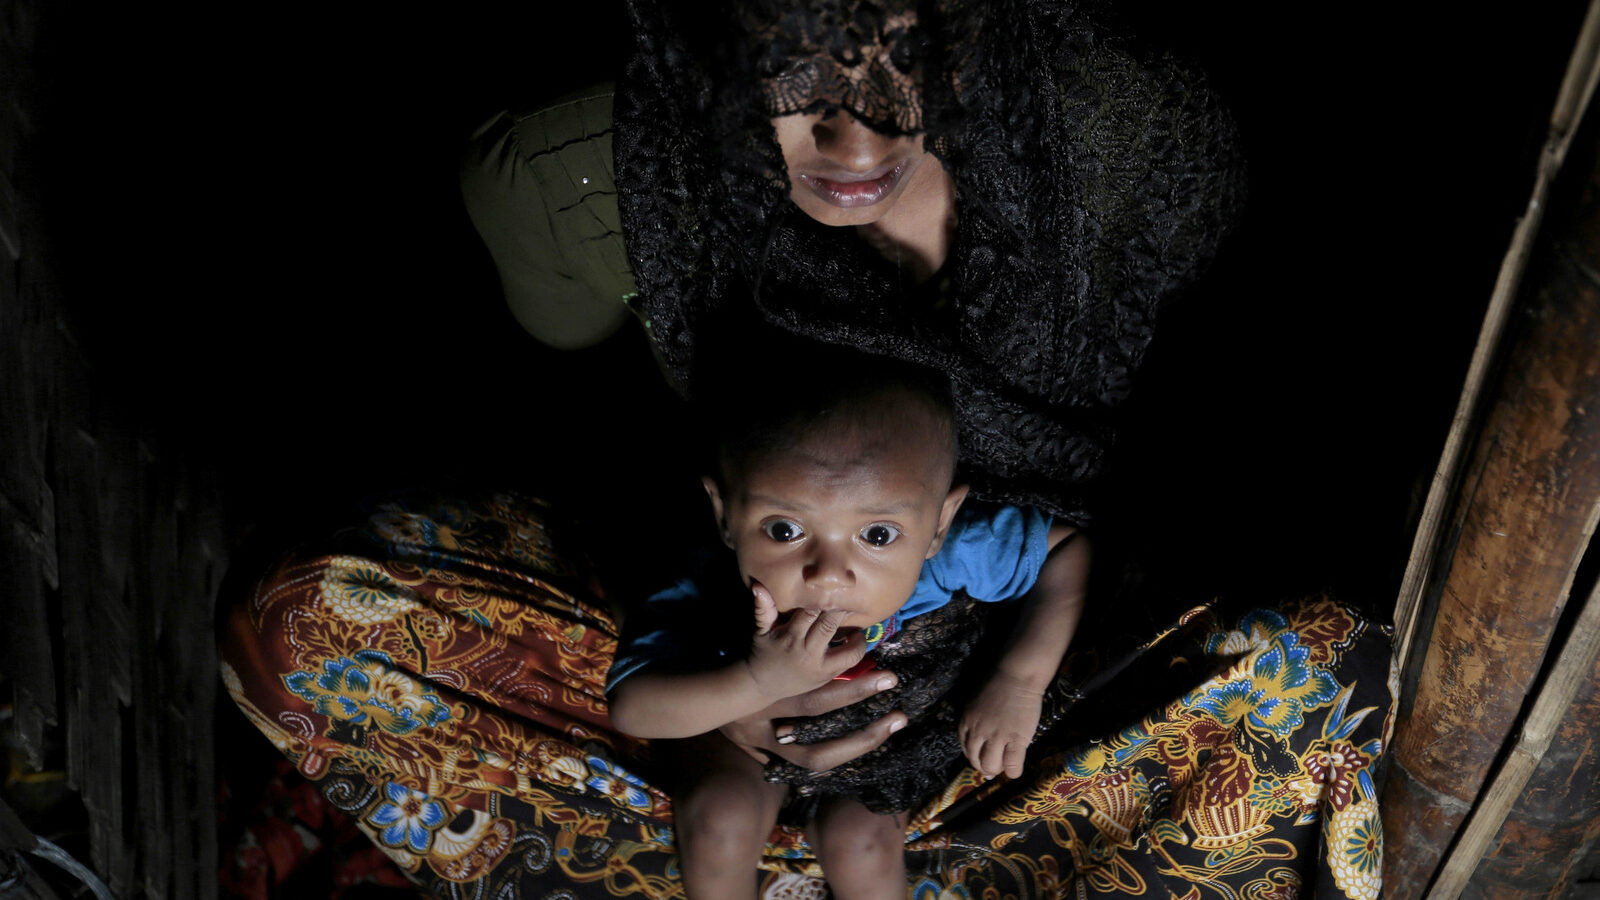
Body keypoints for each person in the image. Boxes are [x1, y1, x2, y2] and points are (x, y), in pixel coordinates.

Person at [220, 0, 1395, 896]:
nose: (851, 134)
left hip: (1025, 695)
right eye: (793, 69)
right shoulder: (620, 175)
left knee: (1320, 656)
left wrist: (1012, 678)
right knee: (307, 615)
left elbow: (1214, 458)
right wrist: (734, 684)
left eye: (897, 49)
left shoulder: (1130, 144)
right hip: (717, 658)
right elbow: (592, 449)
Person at [606, 344, 1089, 900]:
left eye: (877, 535)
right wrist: (757, 682)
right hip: (742, 744)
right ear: (725, 515)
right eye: (784, 530)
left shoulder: (954, 553)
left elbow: (1066, 549)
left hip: (882, 756)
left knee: (861, 846)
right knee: (721, 822)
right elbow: (633, 707)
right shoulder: (704, 585)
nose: (829, 575)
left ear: (938, 525)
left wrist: (1020, 680)